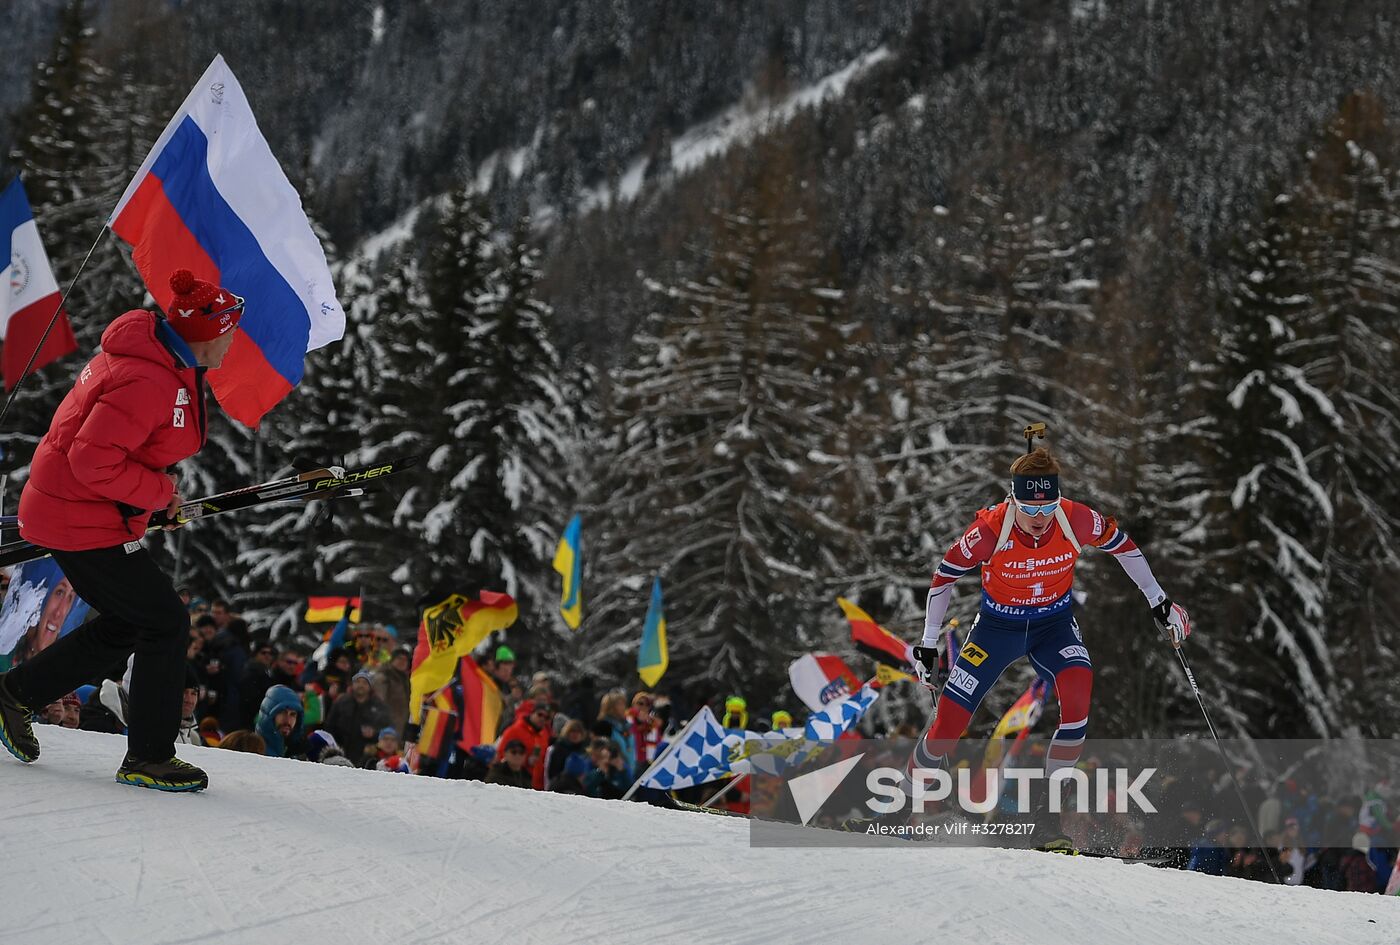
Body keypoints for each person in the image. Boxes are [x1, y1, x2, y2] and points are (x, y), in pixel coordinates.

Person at [0, 269, 244, 792]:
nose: (232, 341)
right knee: (165, 621)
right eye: (228, 331)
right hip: (74, 514)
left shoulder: (161, 360)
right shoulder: (149, 378)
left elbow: (109, 455)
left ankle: (15, 694)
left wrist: (149, 500)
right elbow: (92, 461)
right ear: (204, 334)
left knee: (132, 622)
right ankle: (149, 757)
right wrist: (159, 495)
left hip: (79, 509)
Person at [911, 444, 1191, 822]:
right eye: (1029, 509)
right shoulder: (990, 529)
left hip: (1053, 627)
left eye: (1047, 507)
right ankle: (901, 804)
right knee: (949, 724)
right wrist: (929, 643)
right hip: (996, 630)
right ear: (1014, 501)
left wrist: (1159, 600)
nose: (1040, 518)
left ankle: (1048, 822)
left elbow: (1124, 547)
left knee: (1078, 697)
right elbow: (943, 578)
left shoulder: (1075, 518)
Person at [324, 669, 390, 766]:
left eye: (364, 682)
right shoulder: (341, 701)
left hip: (365, 756)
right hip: (340, 750)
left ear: (370, 686)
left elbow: (386, 729)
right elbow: (329, 725)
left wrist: (374, 734)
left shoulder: (379, 705)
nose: (361, 685)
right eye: (357, 682)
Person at [496, 699, 553, 790]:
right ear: (532, 713)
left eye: (546, 717)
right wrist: (525, 761)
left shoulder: (544, 735)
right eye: (540, 714)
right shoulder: (514, 731)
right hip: (516, 784)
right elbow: (501, 754)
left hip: (537, 787)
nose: (542, 719)